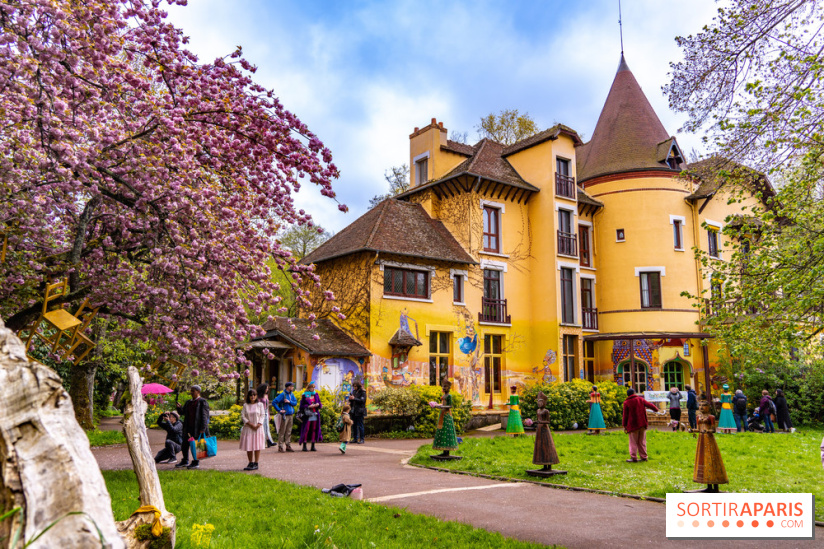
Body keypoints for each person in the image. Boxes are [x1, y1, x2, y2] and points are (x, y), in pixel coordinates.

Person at [692, 400, 729, 493]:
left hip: (709, 440)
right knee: (703, 459)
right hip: (701, 439)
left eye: (704, 405)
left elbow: (713, 429)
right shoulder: (698, 417)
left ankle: (715, 486)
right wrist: (692, 430)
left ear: (708, 407)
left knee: (711, 459)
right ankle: (708, 485)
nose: (701, 407)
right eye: (700, 405)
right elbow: (698, 428)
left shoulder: (711, 417)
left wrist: (708, 431)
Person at [175, 384, 210, 469]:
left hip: (198, 428)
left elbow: (205, 416)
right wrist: (179, 408)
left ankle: (196, 462)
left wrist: (203, 428)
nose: (191, 392)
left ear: (198, 392)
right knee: (185, 444)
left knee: (197, 445)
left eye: (193, 391)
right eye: (191, 391)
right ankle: (185, 460)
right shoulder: (188, 402)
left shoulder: (202, 402)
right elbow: (182, 412)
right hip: (188, 427)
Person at [621, 388, 659, 462]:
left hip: (632, 424)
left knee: (633, 442)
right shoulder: (640, 399)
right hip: (642, 423)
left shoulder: (627, 402)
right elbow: (650, 405)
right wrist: (656, 409)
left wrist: (624, 425)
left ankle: (633, 457)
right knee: (642, 441)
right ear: (634, 393)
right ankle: (644, 457)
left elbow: (625, 415)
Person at [532, 391, 560, 469]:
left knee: (547, 446)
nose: (539, 404)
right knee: (540, 446)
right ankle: (543, 464)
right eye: (538, 402)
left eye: (541, 402)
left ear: (544, 403)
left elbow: (548, 421)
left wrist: (541, 422)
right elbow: (538, 419)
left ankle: (549, 465)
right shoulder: (538, 411)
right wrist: (533, 422)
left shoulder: (546, 411)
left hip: (545, 430)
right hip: (539, 430)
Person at [432, 380, 459, 458]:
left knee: (447, 431)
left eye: (445, 386)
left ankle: (447, 451)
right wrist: (437, 405)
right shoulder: (444, 396)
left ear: (449, 388)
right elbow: (443, 404)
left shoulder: (449, 396)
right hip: (443, 414)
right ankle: (444, 451)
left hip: (447, 415)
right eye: (443, 386)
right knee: (442, 430)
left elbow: (450, 406)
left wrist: (441, 407)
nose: (444, 388)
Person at [240, 389, 265, 471]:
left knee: (257, 445)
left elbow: (262, 415)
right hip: (248, 428)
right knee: (249, 445)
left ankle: (256, 463)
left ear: (256, 396)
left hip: (258, 428)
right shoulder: (245, 405)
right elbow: (243, 416)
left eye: (254, 395)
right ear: (248, 396)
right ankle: (250, 462)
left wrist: (258, 424)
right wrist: (250, 424)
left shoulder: (260, 405)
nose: (252, 396)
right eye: (251, 395)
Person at [273, 382, 298, 452]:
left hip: (291, 414)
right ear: (288, 387)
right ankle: (280, 446)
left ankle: (288, 445)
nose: (293, 387)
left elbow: (295, 403)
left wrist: (289, 402)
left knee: (289, 431)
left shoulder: (291, 394)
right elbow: (274, 402)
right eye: (292, 386)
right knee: (282, 431)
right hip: (284, 415)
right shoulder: (282, 394)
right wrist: (279, 410)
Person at [298, 382, 323, 451]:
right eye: (312, 387)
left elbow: (320, 403)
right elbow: (301, 406)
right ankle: (304, 445)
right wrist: (308, 406)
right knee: (306, 429)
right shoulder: (305, 395)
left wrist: (318, 404)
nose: (313, 389)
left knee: (314, 429)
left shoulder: (316, 395)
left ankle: (313, 445)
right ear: (309, 388)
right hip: (308, 415)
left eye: (314, 387)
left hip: (315, 414)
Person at [348, 380, 366, 444]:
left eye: (355, 386)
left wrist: (354, 398)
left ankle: (362, 439)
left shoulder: (363, 392)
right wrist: (350, 399)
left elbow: (362, 401)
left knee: (360, 425)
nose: (354, 387)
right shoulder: (354, 391)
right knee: (354, 425)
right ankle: (355, 438)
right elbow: (352, 401)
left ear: (358, 386)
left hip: (360, 411)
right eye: (354, 386)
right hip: (354, 410)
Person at [257, 383, 275, 448]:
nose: (267, 390)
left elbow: (267, 406)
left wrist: (269, 415)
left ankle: (268, 440)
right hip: (261, 412)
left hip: (266, 412)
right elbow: (258, 405)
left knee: (267, 427)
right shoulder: (259, 396)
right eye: (266, 388)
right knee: (263, 427)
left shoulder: (266, 395)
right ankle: (265, 441)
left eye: (267, 388)